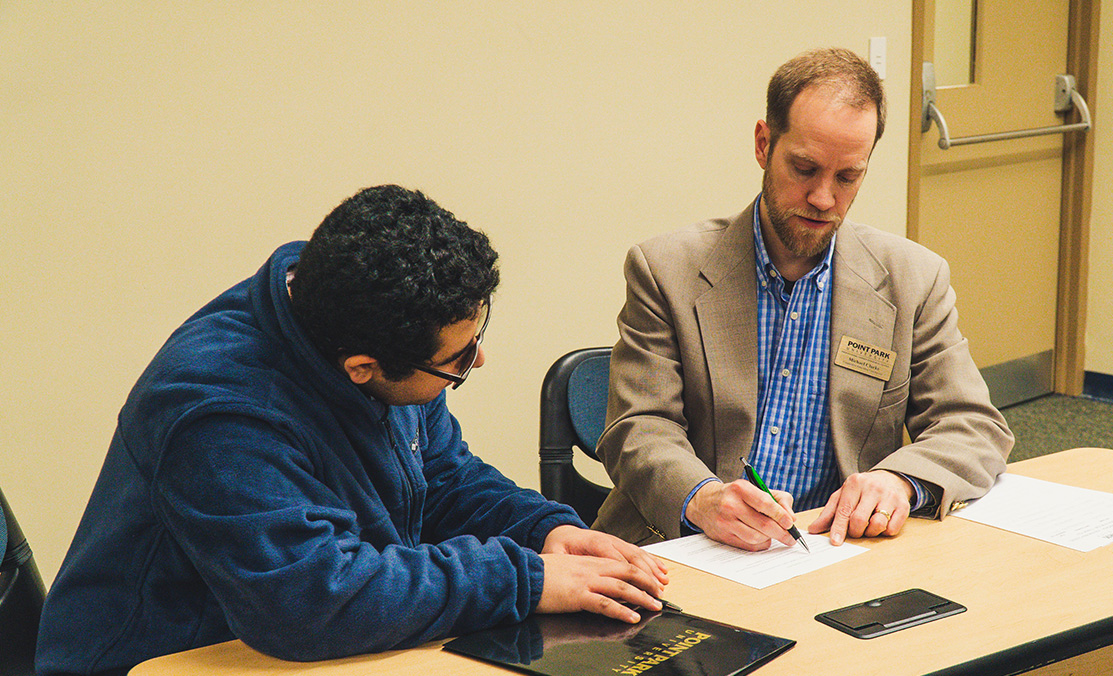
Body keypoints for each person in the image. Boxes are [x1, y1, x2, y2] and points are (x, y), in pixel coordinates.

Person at [36, 185, 668, 676]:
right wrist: (525, 580)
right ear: (362, 369)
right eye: (456, 361)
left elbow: (442, 477)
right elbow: (314, 600)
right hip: (164, 660)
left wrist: (543, 530)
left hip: (306, 641)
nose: (477, 360)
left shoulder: (364, 315)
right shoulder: (217, 413)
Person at [592, 47, 1013, 552]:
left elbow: (973, 425)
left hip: (830, 554)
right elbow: (639, 427)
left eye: (847, 177)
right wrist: (703, 498)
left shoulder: (913, 280)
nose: (823, 198)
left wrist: (900, 480)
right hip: (685, 548)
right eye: (805, 168)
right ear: (763, 144)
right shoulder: (666, 270)